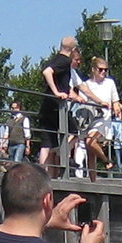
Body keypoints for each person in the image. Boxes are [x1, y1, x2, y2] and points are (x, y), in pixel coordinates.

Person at [40, 37, 81, 170]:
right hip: (56, 106)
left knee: (47, 143)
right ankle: (63, 151)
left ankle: (43, 174)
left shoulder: (54, 59)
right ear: (73, 49)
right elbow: (47, 72)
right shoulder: (64, 61)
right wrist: (57, 92)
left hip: (47, 105)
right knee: (75, 131)